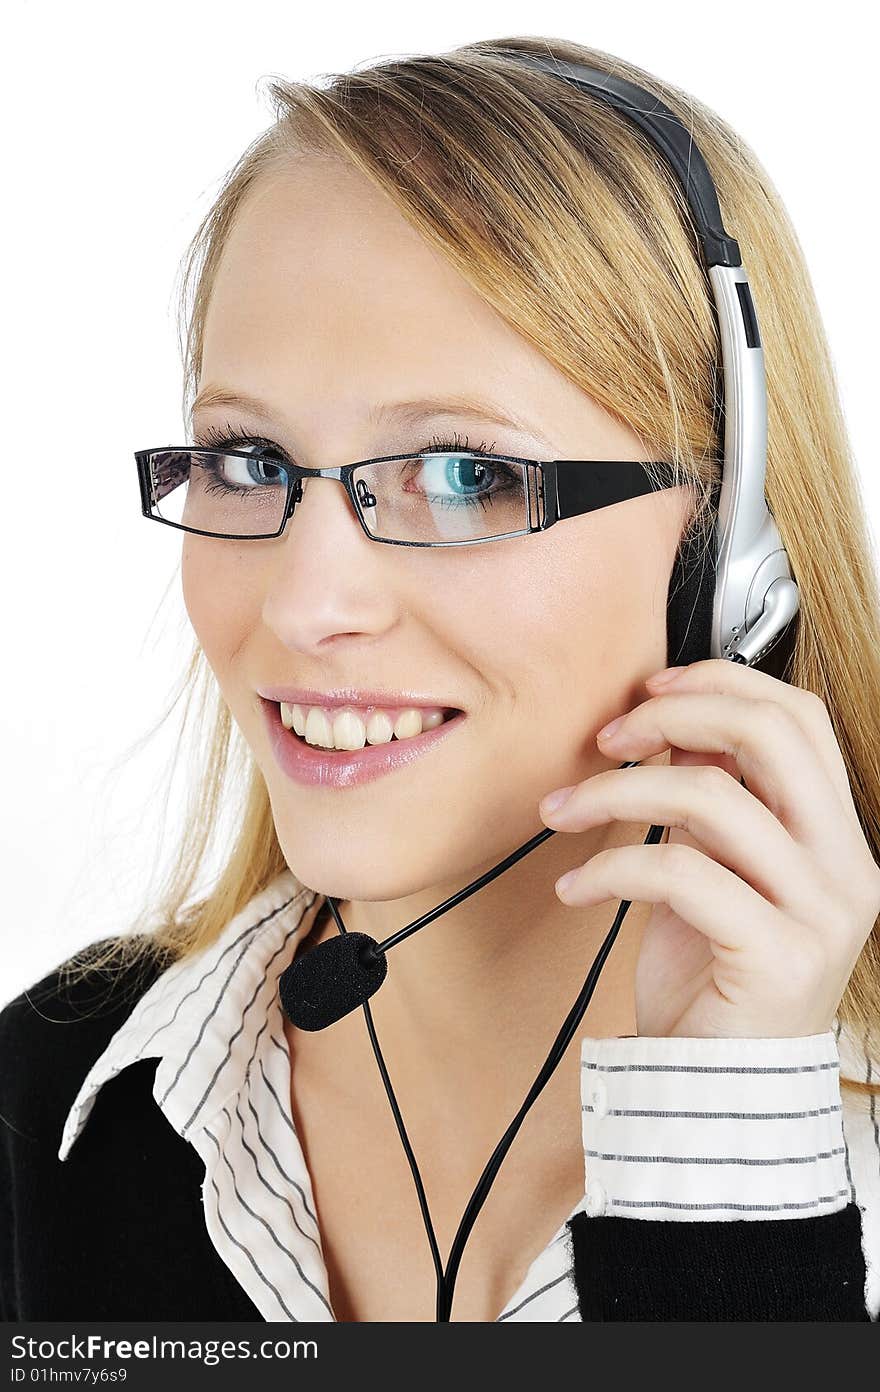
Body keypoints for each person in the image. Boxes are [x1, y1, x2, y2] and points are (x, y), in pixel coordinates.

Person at [2, 34, 880, 1324]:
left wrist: (724, 1172)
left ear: (728, 559)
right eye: (247, 460)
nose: (305, 606)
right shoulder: (54, 1108)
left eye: (467, 476)